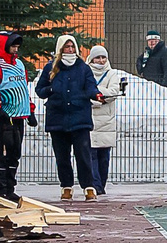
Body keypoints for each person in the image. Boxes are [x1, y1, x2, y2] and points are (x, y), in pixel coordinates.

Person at [35, 33, 99, 201]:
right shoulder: (50, 68)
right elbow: (40, 90)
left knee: (83, 154)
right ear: (60, 49)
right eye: (67, 47)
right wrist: (51, 89)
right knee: (62, 156)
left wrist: (96, 94)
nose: (70, 50)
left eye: (72, 47)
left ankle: (88, 186)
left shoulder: (83, 68)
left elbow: (91, 86)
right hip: (57, 118)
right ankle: (66, 186)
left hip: (80, 118)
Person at [0, 32, 33, 200]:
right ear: (4, 46)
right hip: (4, 117)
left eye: (17, 46)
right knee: (4, 153)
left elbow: (23, 89)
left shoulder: (19, 64)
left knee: (15, 153)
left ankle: (10, 188)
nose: (16, 49)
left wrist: (31, 110)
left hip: (19, 116)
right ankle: (2, 189)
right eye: (13, 46)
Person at [83, 44, 131, 198]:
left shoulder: (111, 74)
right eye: (98, 57)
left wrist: (94, 95)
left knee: (104, 158)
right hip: (90, 120)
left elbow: (113, 92)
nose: (101, 60)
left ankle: (101, 184)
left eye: (103, 57)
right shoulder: (85, 72)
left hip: (107, 122)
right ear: (92, 58)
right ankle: (95, 186)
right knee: (91, 156)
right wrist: (100, 98)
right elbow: (83, 92)